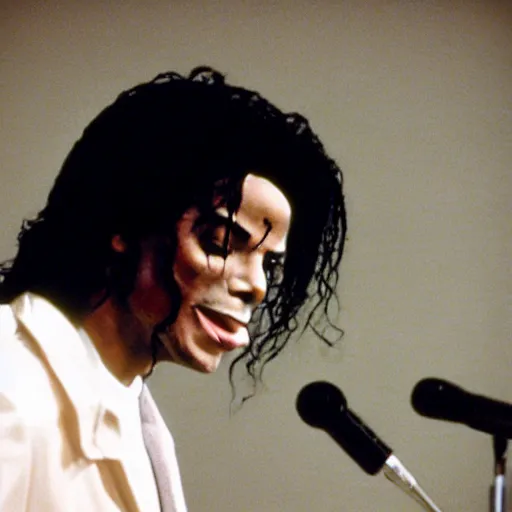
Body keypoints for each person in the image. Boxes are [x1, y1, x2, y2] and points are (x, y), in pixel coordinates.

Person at [0, 66, 347, 511]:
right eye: (220, 243)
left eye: (270, 264)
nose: (257, 287)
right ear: (126, 222)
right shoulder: (12, 387)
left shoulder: (135, 414)